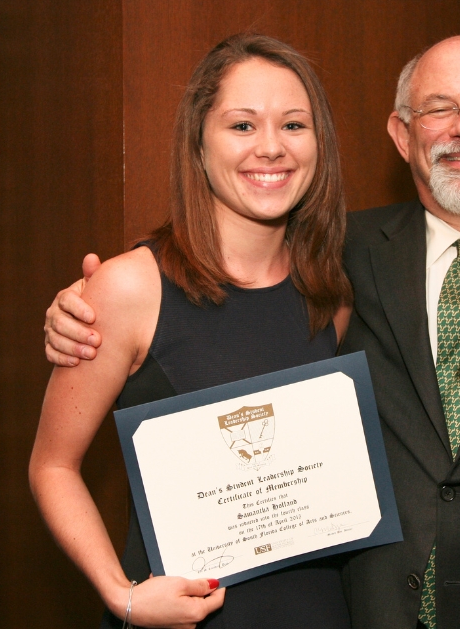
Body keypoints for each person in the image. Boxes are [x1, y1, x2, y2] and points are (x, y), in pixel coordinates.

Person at [45, 36, 460, 628]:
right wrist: (78, 310)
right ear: (401, 134)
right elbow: (207, 287)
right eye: (438, 109)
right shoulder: (344, 259)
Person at [29, 33, 353, 629]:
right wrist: (119, 593)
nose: (272, 148)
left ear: (320, 145)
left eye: (294, 125)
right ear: (199, 143)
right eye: (242, 126)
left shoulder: (331, 294)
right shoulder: (128, 289)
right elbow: (52, 466)